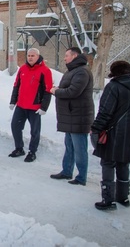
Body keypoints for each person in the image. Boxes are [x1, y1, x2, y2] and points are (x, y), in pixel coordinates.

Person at [90, 60, 130, 210]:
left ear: (114, 73)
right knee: (124, 163)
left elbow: (105, 112)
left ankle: (108, 200)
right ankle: (123, 197)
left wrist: (96, 129)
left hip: (113, 133)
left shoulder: (113, 87)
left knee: (108, 163)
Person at [49, 47, 94, 186]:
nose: (64, 58)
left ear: (74, 56)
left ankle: (81, 177)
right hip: (71, 116)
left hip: (78, 116)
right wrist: (58, 89)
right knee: (69, 146)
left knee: (80, 149)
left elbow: (73, 92)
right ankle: (67, 171)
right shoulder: (73, 71)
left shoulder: (82, 72)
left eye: (67, 55)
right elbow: (68, 89)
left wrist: (56, 91)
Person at [8, 48, 53, 162]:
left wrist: (44, 107)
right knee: (15, 126)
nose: (30, 57)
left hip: (35, 107)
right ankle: (19, 148)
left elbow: (48, 90)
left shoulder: (45, 71)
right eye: (28, 55)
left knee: (35, 131)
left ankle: (32, 152)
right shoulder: (22, 69)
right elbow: (16, 85)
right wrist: (13, 101)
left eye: (33, 55)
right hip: (21, 105)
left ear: (38, 56)